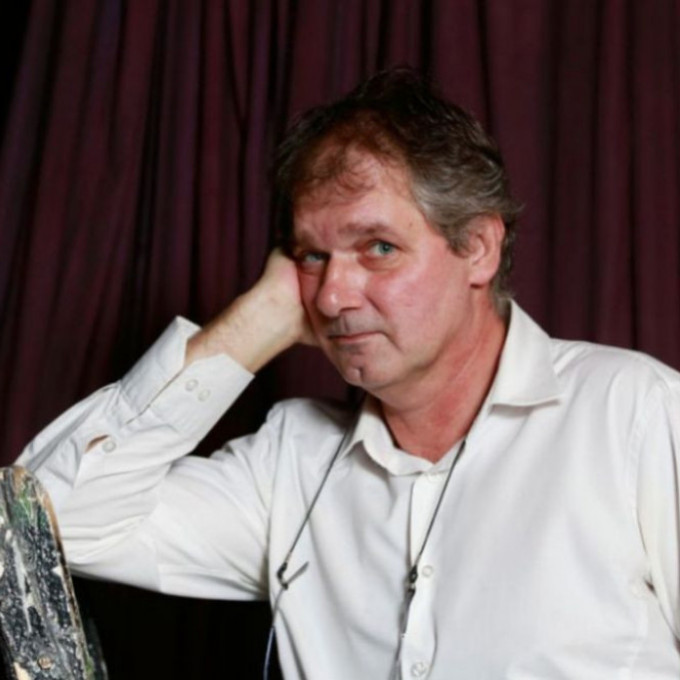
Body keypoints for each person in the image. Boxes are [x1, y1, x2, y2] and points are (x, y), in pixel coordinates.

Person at [17, 69, 680, 679]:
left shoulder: (633, 413)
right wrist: (255, 321)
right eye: (312, 256)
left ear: (478, 248)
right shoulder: (290, 460)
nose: (332, 297)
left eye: (379, 248)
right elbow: (42, 524)